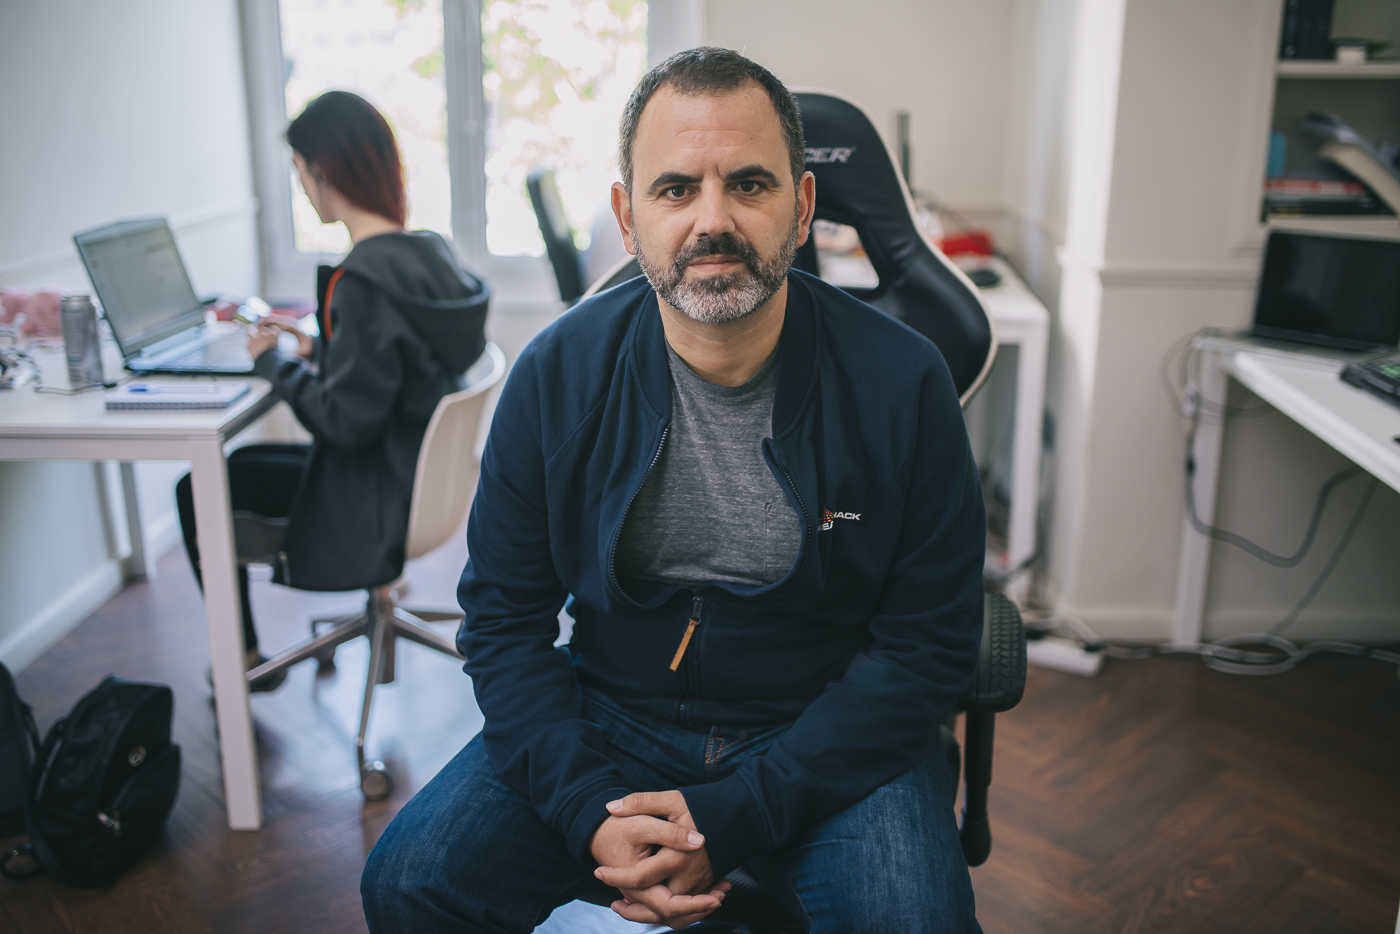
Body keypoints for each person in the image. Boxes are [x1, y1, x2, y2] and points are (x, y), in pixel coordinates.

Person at [362, 48, 984, 932]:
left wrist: (739, 813)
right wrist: (586, 809)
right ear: (627, 218)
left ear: (801, 208)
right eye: (675, 189)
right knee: (411, 880)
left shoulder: (903, 381)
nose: (712, 221)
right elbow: (503, 621)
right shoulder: (556, 378)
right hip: (616, 711)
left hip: (825, 725)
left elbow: (927, 646)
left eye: (751, 184)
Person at [175, 90, 489, 690]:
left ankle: (243, 660)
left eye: (301, 176)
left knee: (202, 486)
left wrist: (273, 362)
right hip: (418, 479)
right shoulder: (429, 254)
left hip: (370, 497)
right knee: (240, 464)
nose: (304, 190)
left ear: (323, 173)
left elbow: (344, 422)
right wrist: (321, 347)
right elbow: (403, 360)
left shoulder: (362, 279)